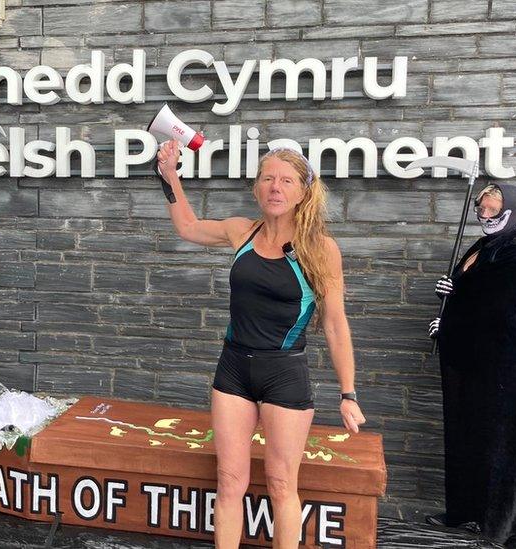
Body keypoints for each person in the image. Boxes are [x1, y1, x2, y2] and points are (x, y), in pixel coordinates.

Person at [156, 141, 366, 549]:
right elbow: (188, 226)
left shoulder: (320, 249)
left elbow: (336, 325)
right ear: (257, 187)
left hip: (284, 374)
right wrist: (169, 176)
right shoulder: (242, 231)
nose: (276, 187)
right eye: (268, 178)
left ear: (303, 192)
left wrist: (348, 393)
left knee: (281, 483)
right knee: (230, 480)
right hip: (233, 369)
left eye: (286, 181)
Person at [428, 183, 516, 548]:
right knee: (473, 434)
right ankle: (469, 512)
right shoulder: (485, 246)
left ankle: (504, 524)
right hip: (485, 361)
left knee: (508, 443)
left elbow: (507, 304)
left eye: (493, 210)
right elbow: (473, 292)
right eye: (481, 209)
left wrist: (455, 313)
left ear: (513, 211)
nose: (485, 216)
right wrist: (452, 290)